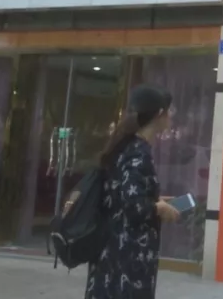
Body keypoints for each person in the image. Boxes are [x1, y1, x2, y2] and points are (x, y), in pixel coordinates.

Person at [86, 85, 179, 299]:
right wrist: (158, 208)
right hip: (128, 257)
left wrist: (155, 199)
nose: (170, 117)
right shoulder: (138, 151)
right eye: (168, 112)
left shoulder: (125, 146)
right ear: (159, 114)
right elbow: (133, 204)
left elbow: (122, 192)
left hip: (112, 251)